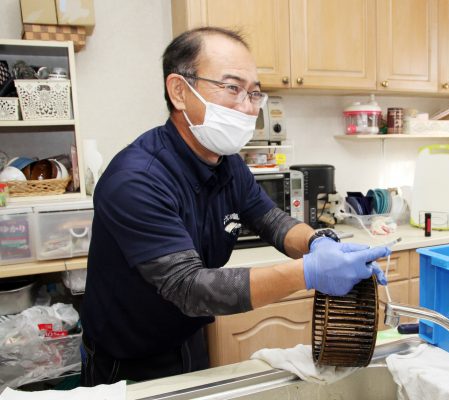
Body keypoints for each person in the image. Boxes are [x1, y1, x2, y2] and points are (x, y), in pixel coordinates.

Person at [79, 27, 390, 386]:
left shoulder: (227, 163)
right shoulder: (135, 180)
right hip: (125, 361)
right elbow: (189, 287)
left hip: (188, 338)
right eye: (232, 88)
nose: (247, 106)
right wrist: (308, 272)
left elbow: (272, 219)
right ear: (179, 91)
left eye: (254, 92)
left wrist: (320, 242)